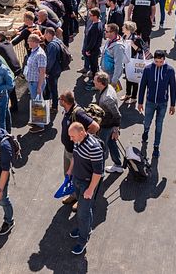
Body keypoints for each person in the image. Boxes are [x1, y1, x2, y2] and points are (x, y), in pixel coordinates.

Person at [66, 122, 104, 255]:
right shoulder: (78, 141)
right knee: (84, 211)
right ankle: (86, 229)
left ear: (81, 133)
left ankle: (83, 240)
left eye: (72, 136)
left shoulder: (94, 147)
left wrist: (90, 189)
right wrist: (70, 172)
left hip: (87, 184)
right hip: (77, 179)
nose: (71, 139)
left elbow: (98, 173)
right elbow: (75, 158)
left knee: (82, 213)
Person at [59, 92, 100, 207]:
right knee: (68, 174)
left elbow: (95, 126)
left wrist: (82, 139)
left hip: (76, 153)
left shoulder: (78, 113)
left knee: (78, 179)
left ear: (64, 101)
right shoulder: (68, 111)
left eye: (60, 99)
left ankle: (80, 201)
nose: (58, 101)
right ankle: (73, 195)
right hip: (67, 150)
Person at [136, 50, 176, 159]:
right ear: (154, 60)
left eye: (161, 61)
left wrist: (173, 104)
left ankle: (156, 146)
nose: (158, 64)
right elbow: (142, 86)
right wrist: (140, 102)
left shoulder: (170, 70)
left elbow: (173, 88)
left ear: (164, 60)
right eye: (156, 61)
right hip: (150, 102)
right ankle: (146, 131)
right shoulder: (148, 69)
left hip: (163, 103)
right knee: (147, 121)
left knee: (159, 125)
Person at [92, 72, 123, 174]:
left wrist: (116, 130)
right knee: (112, 144)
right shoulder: (108, 87)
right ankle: (118, 165)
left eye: (95, 81)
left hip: (106, 126)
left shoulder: (107, 98)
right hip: (108, 124)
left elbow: (117, 115)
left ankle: (100, 172)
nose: (93, 82)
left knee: (102, 149)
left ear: (101, 83)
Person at [0, 32, 22, 112]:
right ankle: (14, 106)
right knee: (12, 89)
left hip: (10, 70)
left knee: (7, 89)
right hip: (17, 68)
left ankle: (5, 109)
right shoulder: (8, 43)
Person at [25, 34, 48, 133]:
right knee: (35, 102)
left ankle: (40, 125)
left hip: (36, 83)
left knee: (38, 103)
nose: (27, 42)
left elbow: (42, 72)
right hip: (32, 82)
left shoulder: (40, 54)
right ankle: (36, 121)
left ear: (34, 42)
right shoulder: (34, 51)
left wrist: (39, 86)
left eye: (29, 41)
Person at [121, 21, 146, 103]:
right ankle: (128, 94)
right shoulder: (124, 36)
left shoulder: (136, 38)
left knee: (134, 79)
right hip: (127, 61)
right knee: (128, 77)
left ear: (128, 29)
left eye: (124, 27)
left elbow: (141, 50)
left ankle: (134, 97)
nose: (122, 28)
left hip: (134, 61)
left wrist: (132, 44)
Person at [100, 23, 127, 91]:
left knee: (108, 96)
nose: (104, 32)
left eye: (106, 31)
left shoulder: (118, 47)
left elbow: (119, 65)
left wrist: (114, 81)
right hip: (105, 73)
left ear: (113, 33)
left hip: (111, 76)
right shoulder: (109, 40)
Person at [43, 27, 63, 112]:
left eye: (45, 33)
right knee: (52, 87)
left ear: (49, 34)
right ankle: (51, 104)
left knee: (53, 89)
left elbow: (50, 60)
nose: (44, 36)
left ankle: (54, 107)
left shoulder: (51, 45)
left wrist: (46, 71)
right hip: (57, 68)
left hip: (52, 71)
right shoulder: (58, 41)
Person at [82, 8, 104, 78]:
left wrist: (88, 50)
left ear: (95, 16)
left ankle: (93, 82)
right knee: (95, 66)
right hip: (95, 49)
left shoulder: (95, 27)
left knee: (94, 67)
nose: (89, 16)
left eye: (91, 15)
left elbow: (93, 41)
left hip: (93, 51)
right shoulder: (100, 23)